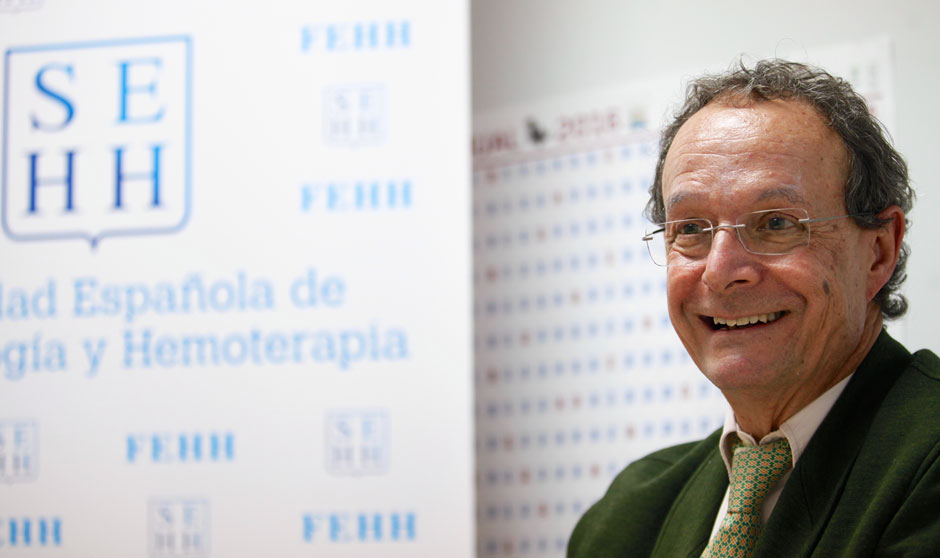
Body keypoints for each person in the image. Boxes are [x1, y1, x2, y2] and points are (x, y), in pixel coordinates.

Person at [568, 59, 940, 557]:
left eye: (776, 224)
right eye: (691, 229)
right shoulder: (626, 517)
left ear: (878, 252)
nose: (721, 271)